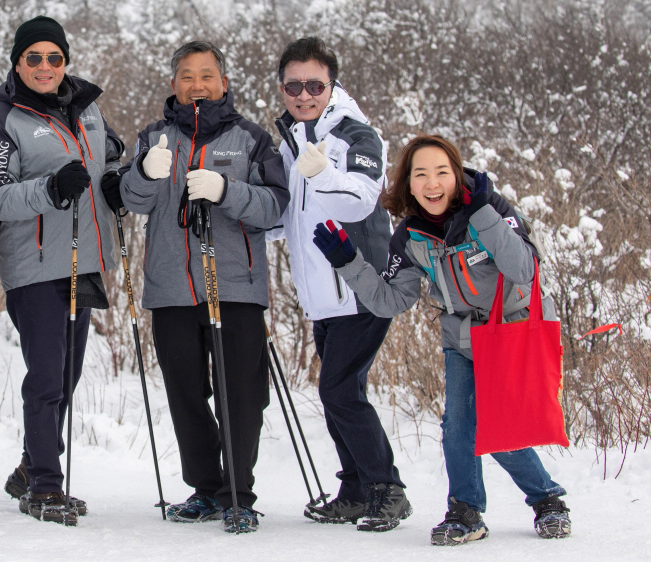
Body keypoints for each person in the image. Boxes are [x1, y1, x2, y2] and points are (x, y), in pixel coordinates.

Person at [312, 134, 572, 545]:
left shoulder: (492, 208)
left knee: (500, 429)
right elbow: (390, 301)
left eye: (441, 172)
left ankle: (547, 499)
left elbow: (522, 268)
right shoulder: (411, 236)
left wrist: (484, 211)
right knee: (458, 427)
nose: (432, 183)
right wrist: (349, 262)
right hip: (464, 338)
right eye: (420, 175)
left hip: (512, 331)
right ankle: (465, 512)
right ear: (408, 185)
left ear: (455, 176)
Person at [117, 41, 288, 533]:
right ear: (174, 85)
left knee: (241, 393)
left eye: (207, 75)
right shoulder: (153, 136)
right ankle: (204, 488)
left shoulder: (251, 139)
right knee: (186, 393)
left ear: (224, 83)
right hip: (171, 288)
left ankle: (238, 494)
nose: (197, 85)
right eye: (187, 76)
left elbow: (276, 205)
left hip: (235, 287)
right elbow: (132, 200)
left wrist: (226, 190)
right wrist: (147, 173)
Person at [0, 15, 125, 526]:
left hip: (84, 262)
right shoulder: (1, 120)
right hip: (35, 267)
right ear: (17, 62)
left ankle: (27, 469)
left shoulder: (87, 108)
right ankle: (44, 485)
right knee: (46, 380)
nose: (44, 67)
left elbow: (99, 163)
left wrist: (119, 172)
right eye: (33, 58)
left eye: (54, 58)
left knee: (68, 374)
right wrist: (51, 188)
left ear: (66, 63)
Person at [266, 36, 409, 531]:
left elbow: (360, 201)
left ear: (332, 85)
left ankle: (387, 489)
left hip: (361, 286)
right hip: (323, 294)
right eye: (293, 85)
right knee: (340, 391)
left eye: (314, 85)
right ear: (281, 87)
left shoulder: (356, 135)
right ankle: (355, 489)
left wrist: (323, 170)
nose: (303, 94)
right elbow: (291, 216)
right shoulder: (293, 137)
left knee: (340, 391)